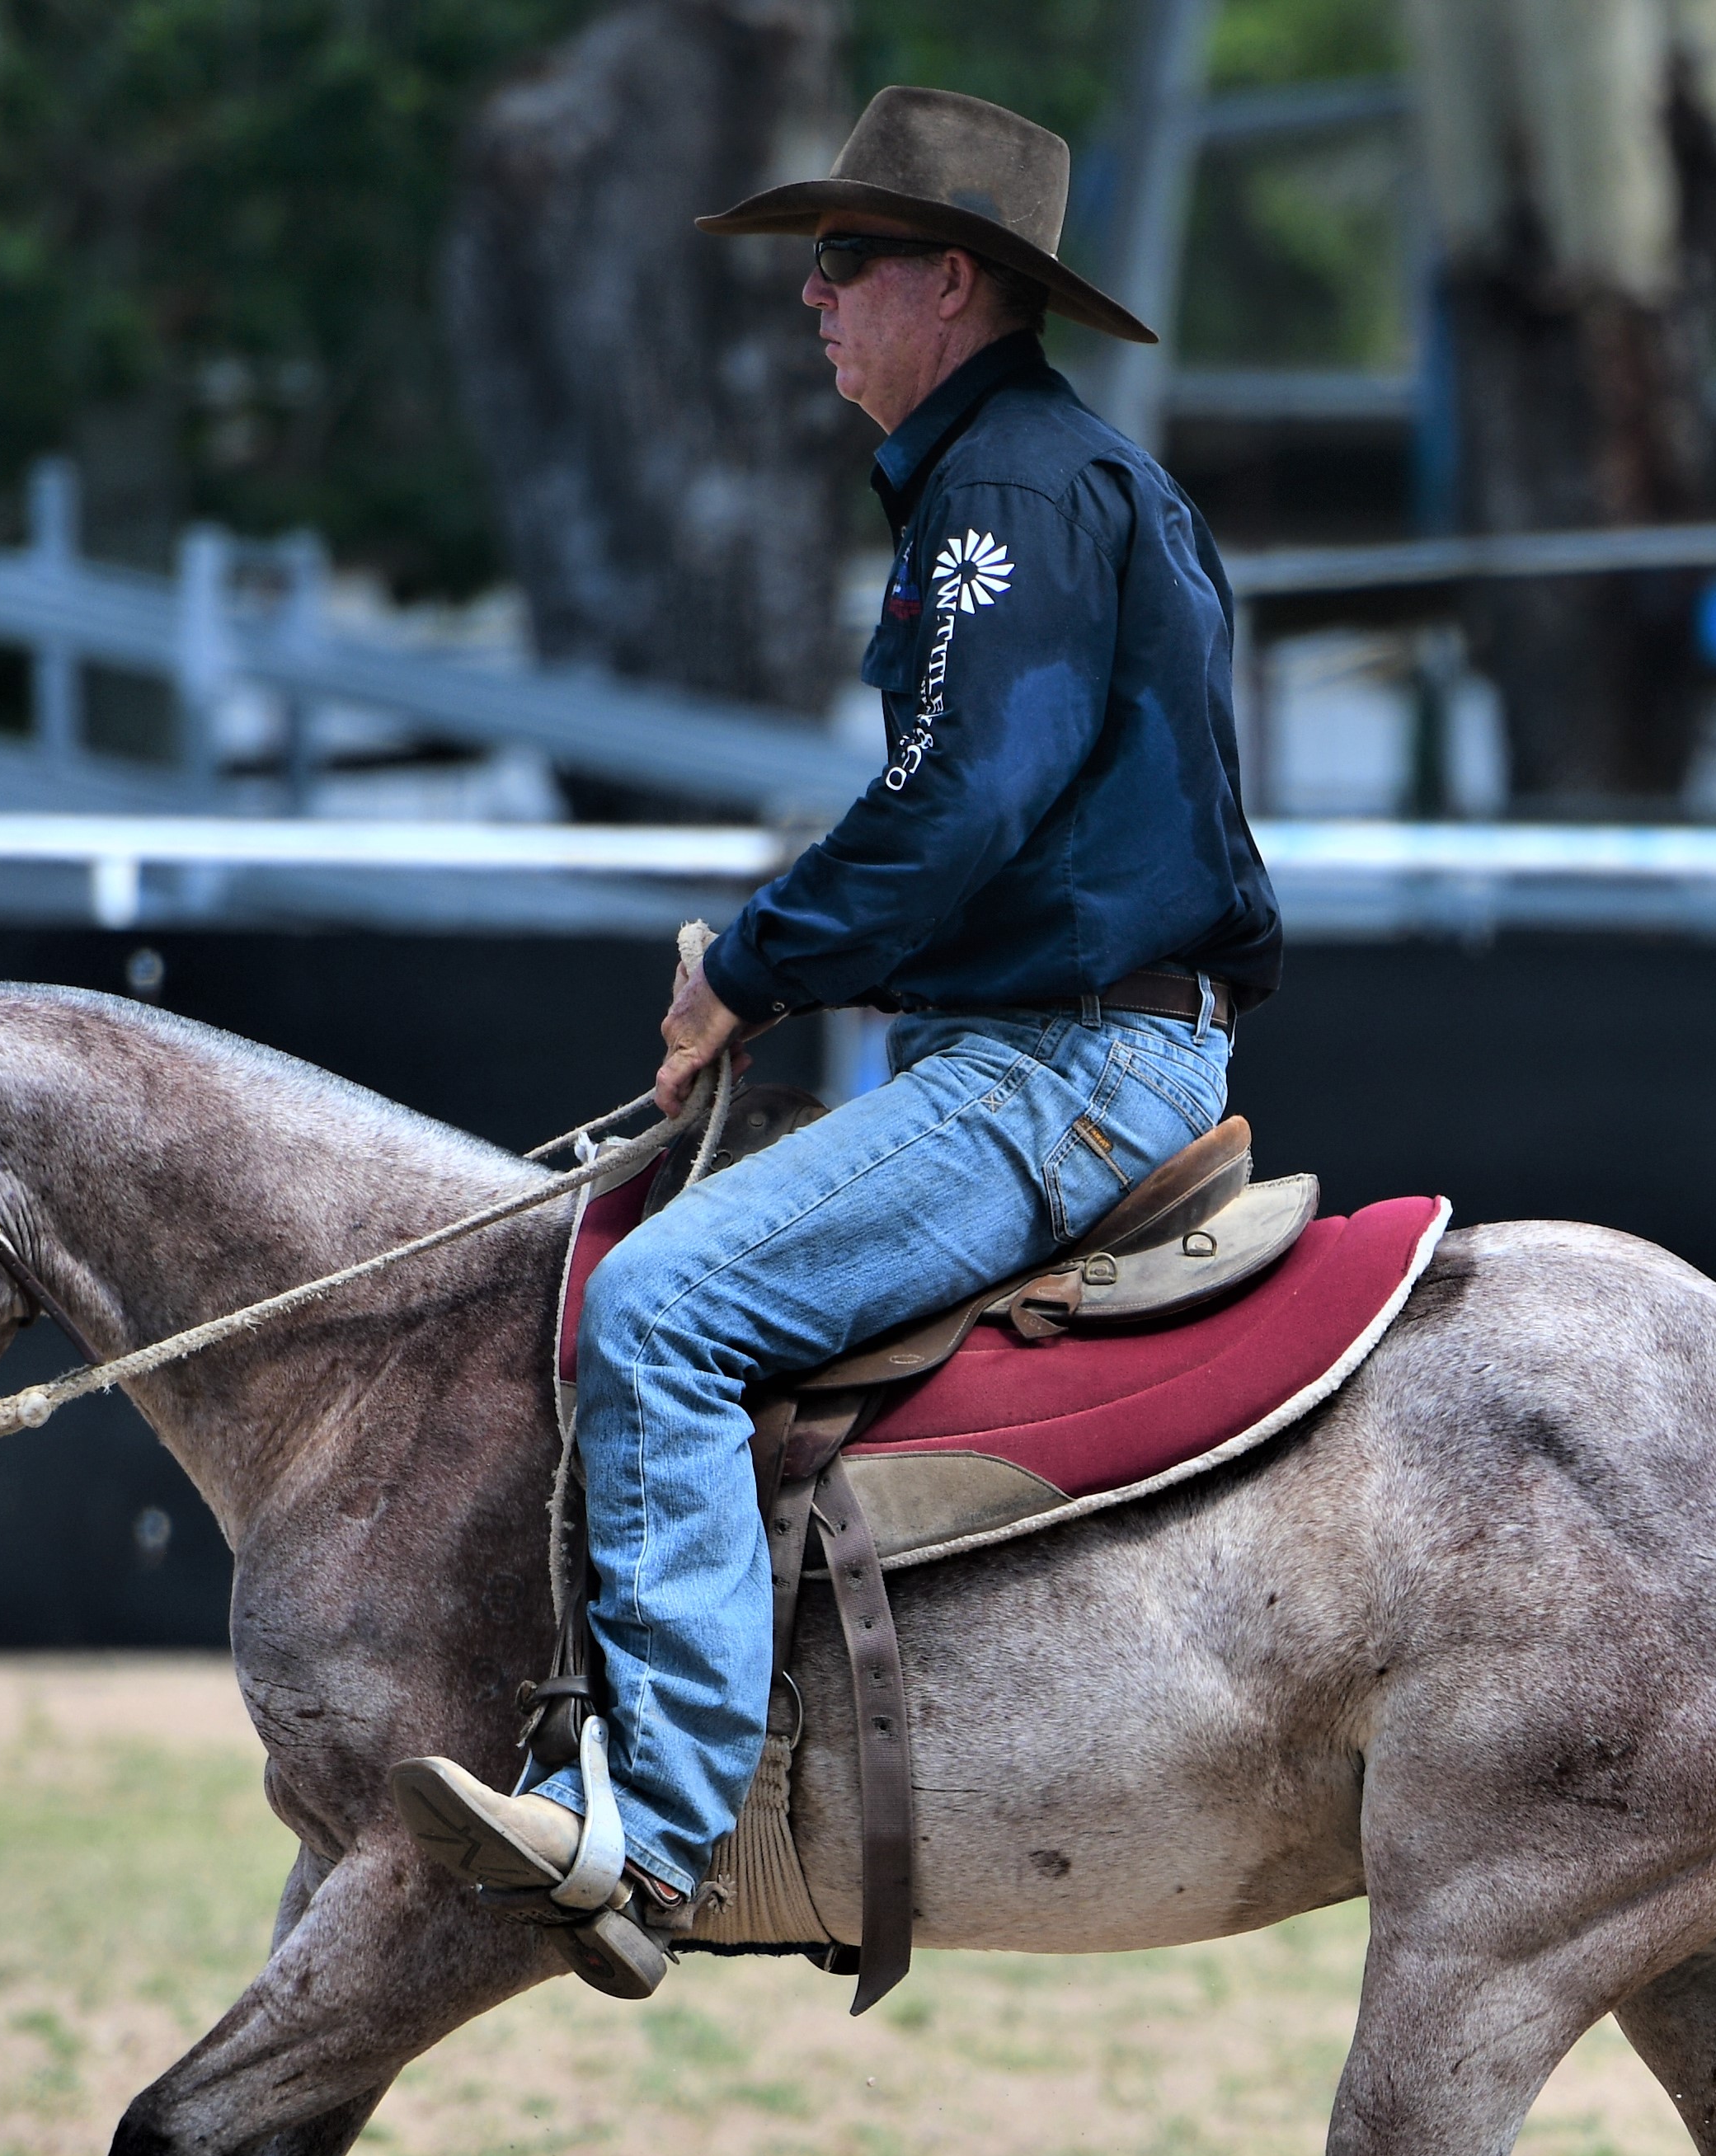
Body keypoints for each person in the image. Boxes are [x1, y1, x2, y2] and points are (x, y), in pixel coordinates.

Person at [390, 85, 1281, 1951]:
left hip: (1061, 1068)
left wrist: (749, 965)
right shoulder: (1047, 475)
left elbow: (961, 803)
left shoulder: (1007, 490)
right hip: (1083, 1044)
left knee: (662, 1303)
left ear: (951, 282)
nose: (810, 295)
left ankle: (656, 1831)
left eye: (845, 259)